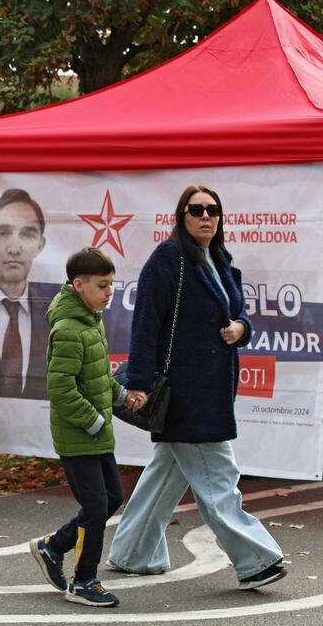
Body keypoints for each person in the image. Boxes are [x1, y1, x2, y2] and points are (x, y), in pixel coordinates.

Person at [106, 184, 286, 590]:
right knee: (218, 475)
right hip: (186, 394)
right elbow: (146, 323)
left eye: (213, 210)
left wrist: (242, 328)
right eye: (196, 210)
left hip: (212, 390)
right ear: (181, 216)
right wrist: (137, 383)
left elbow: (237, 311)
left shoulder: (220, 258)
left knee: (167, 473)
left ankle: (132, 551)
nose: (205, 217)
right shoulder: (169, 259)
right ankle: (256, 559)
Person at [29, 246, 144, 607]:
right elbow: (61, 390)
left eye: (111, 284)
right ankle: (83, 581)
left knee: (111, 498)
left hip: (96, 432)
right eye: (102, 285)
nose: (110, 292)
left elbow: (95, 379)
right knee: (96, 505)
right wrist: (93, 421)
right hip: (79, 435)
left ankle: (53, 547)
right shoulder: (67, 329)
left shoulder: (90, 322)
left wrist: (123, 395)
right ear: (79, 285)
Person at [0, 188, 50, 399]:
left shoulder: (54, 314)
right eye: (3, 233)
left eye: (27, 234)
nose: (14, 248)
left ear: (40, 245)